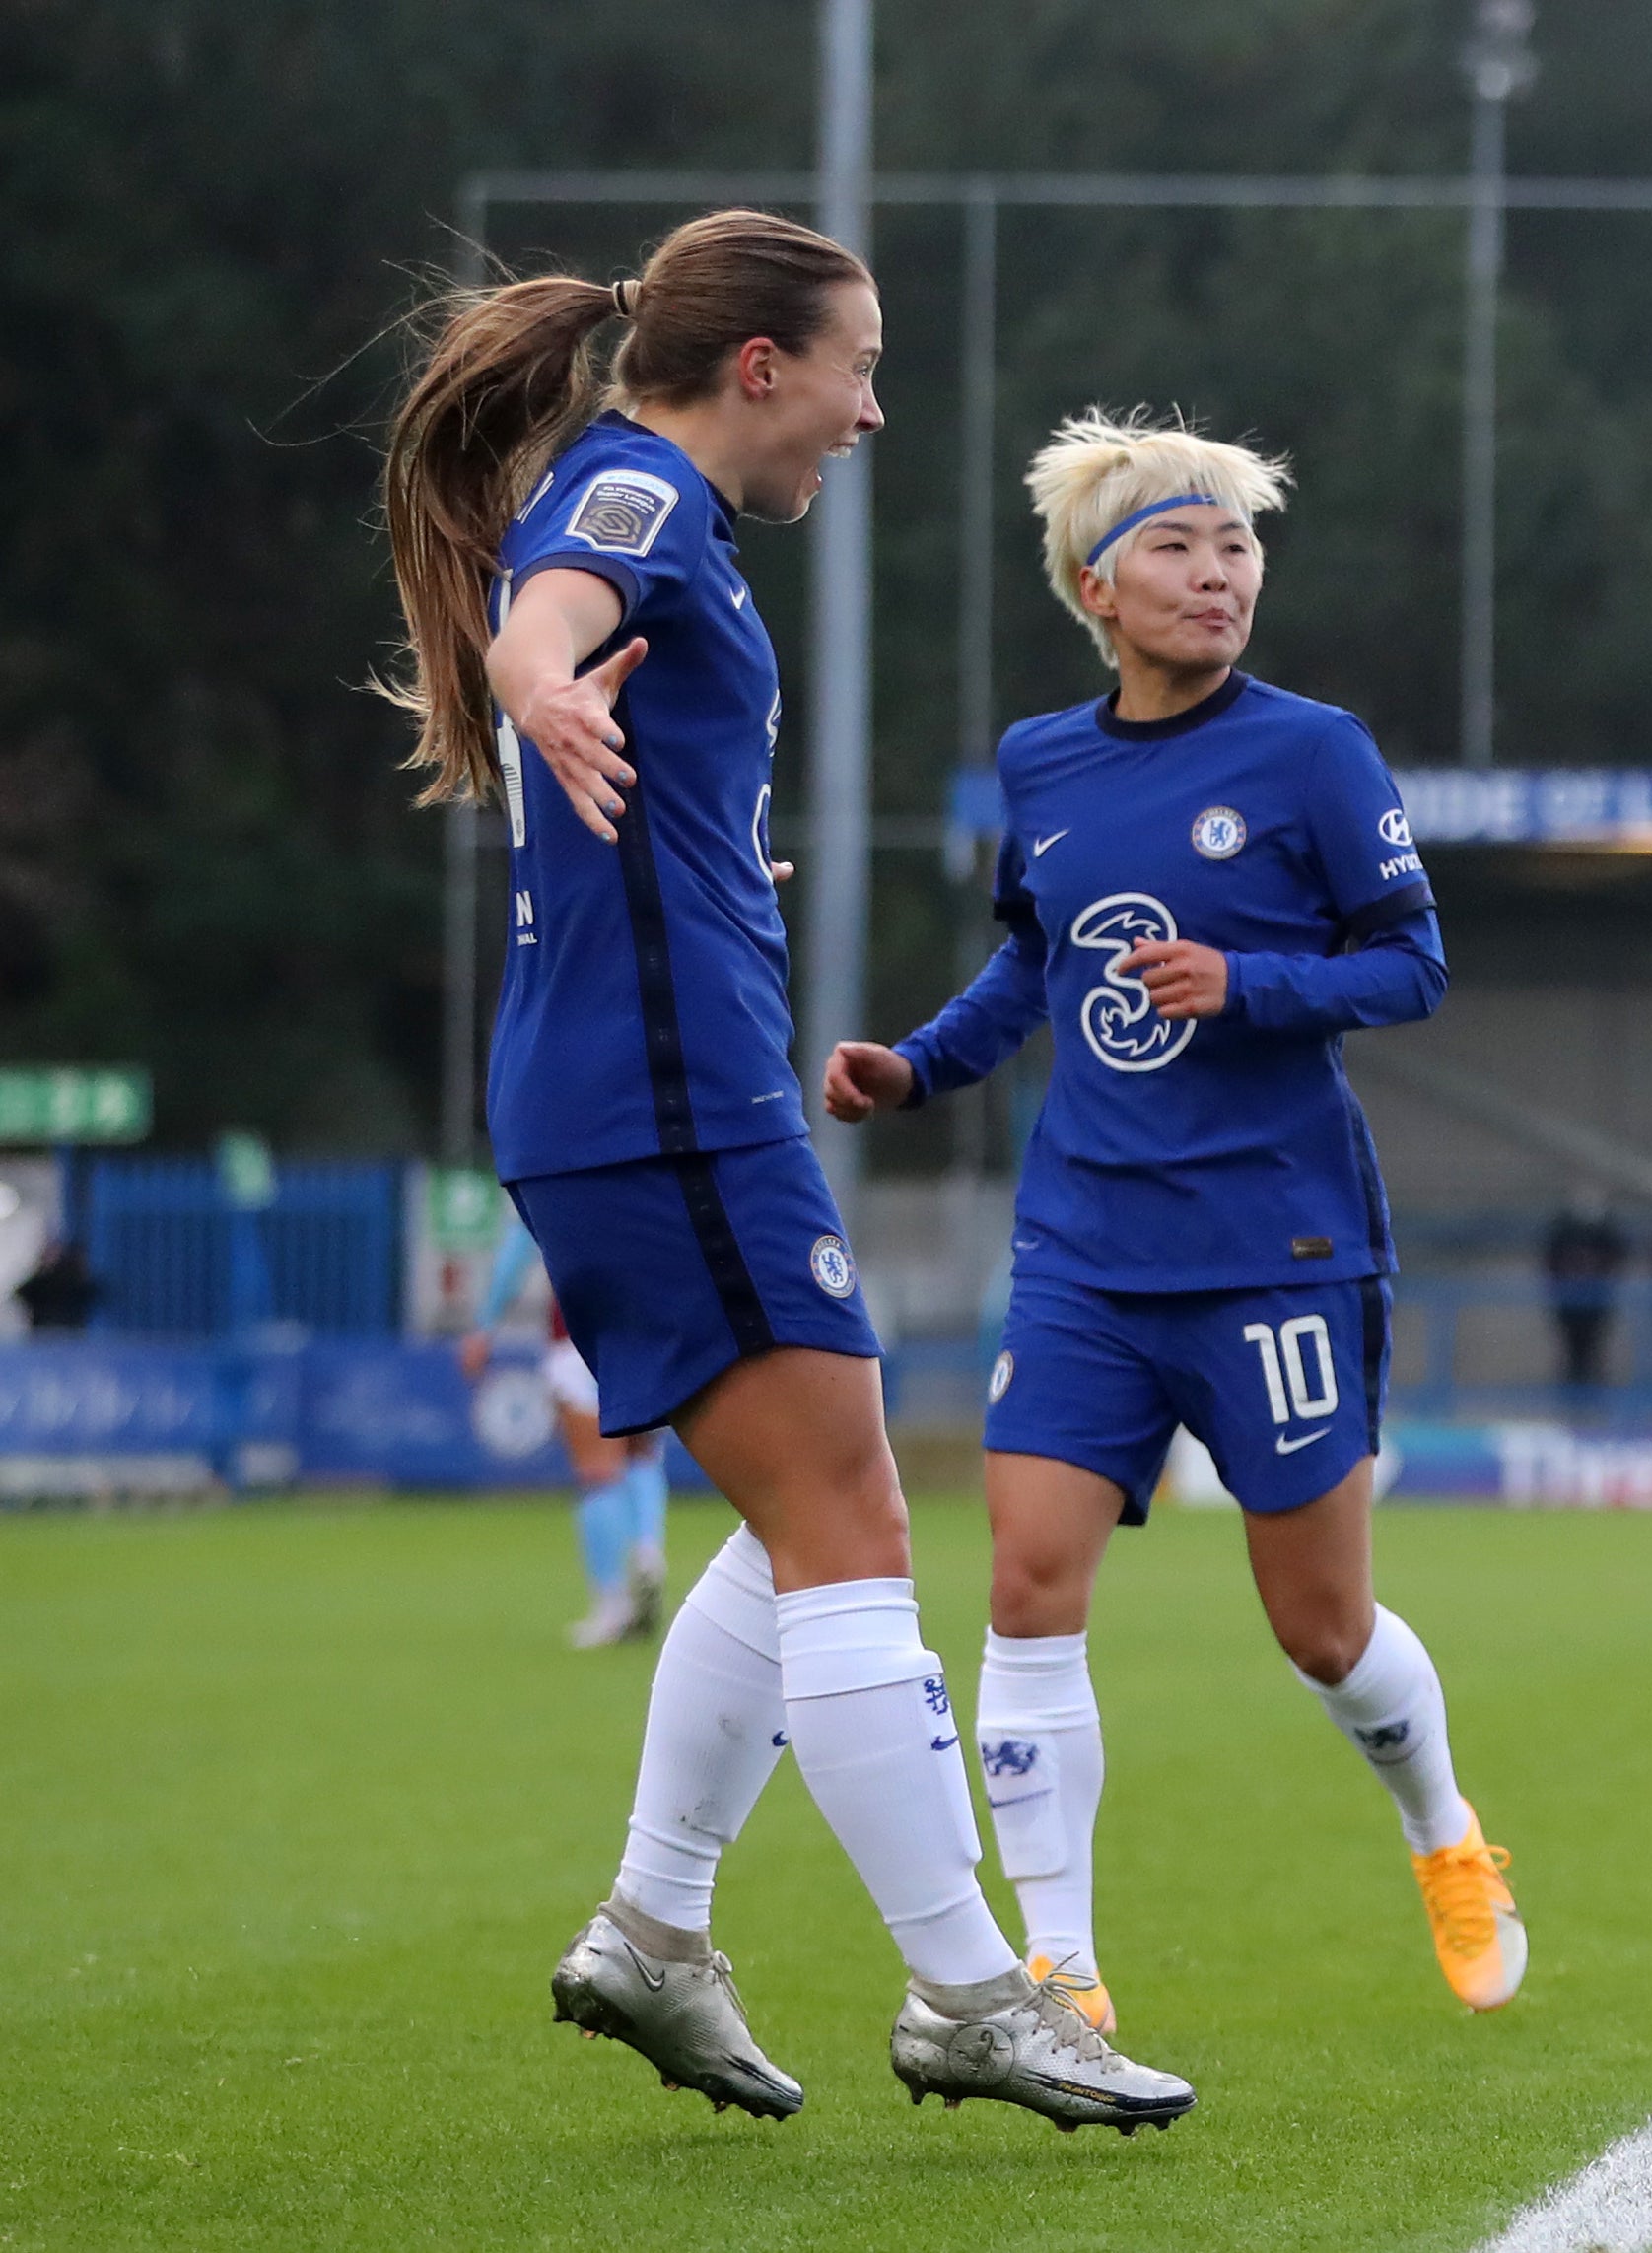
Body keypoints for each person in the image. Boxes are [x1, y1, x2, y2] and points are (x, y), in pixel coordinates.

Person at [379, 211, 1188, 2133]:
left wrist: (704, 860)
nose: (871, 410)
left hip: (639, 1093)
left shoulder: (650, 501)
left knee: (792, 1522)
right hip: (665, 1104)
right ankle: (970, 1993)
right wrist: (534, 676)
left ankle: (657, 1931)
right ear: (762, 368)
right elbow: (551, 613)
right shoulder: (642, 495)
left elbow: (583, 642)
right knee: (851, 1530)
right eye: (859, 367)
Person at [821, 409, 1522, 2033]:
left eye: (1238, 546)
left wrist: (1247, 982)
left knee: (1321, 1628)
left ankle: (1443, 1829)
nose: (1220, 575)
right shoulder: (1041, 762)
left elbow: (1411, 964)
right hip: (1084, 1245)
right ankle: (1058, 1963)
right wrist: (918, 1068)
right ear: (1097, 589)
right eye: (1178, 548)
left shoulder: (1315, 753)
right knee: (1025, 1582)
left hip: (1276, 1245)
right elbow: (1035, 960)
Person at [457, 1216, 669, 1647]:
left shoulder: (552, 1179)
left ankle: (612, 1605)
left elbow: (517, 1252)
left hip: (578, 1335)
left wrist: (484, 1327)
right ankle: (648, 1548)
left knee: (597, 1474)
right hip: (646, 1331)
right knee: (641, 1454)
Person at [1543, 1189, 1628, 1400]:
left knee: (1595, 1341)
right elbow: (1550, 1258)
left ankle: (1593, 1387)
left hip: (1596, 1296)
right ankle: (1573, 1387)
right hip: (1568, 1296)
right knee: (1572, 1343)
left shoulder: (1605, 1231)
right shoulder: (1562, 1229)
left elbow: (1618, 1255)